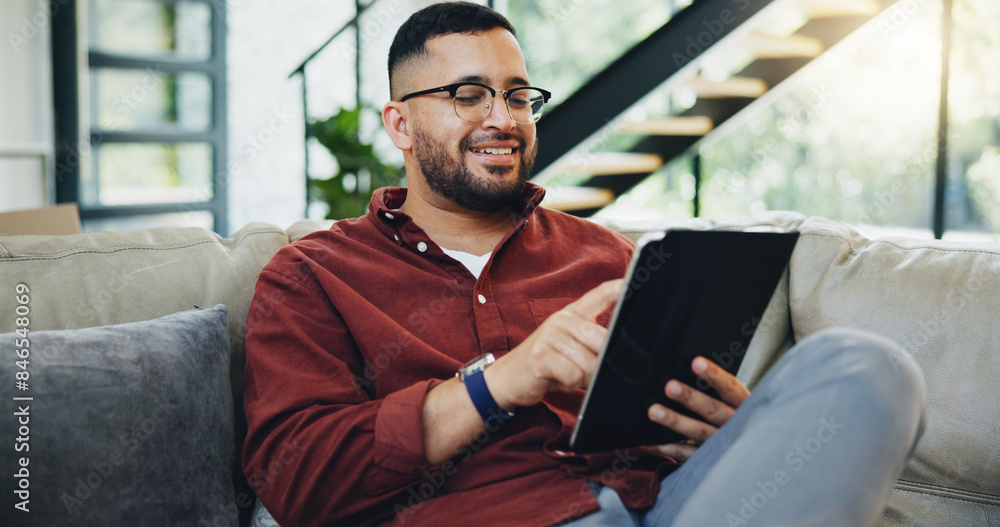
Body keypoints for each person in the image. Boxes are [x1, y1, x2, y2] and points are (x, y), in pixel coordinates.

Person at [241, 3, 926, 526]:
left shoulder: (612, 257)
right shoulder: (311, 275)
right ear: (399, 126)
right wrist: (500, 382)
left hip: (666, 505)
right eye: (468, 95)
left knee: (870, 367)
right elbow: (297, 476)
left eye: (516, 95)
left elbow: (682, 430)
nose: (502, 118)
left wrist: (729, 434)